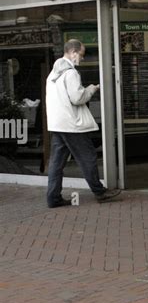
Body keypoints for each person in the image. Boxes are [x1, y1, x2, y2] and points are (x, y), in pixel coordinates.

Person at [45, 39, 121, 208]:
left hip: (57, 124)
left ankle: (53, 197)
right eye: (81, 54)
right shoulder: (71, 73)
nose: (82, 59)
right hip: (72, 125)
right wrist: (92, 89)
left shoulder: (53, 74)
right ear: (72, 52)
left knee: (56, 163)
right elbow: (78, 98)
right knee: (88, 157)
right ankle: (100, 192)